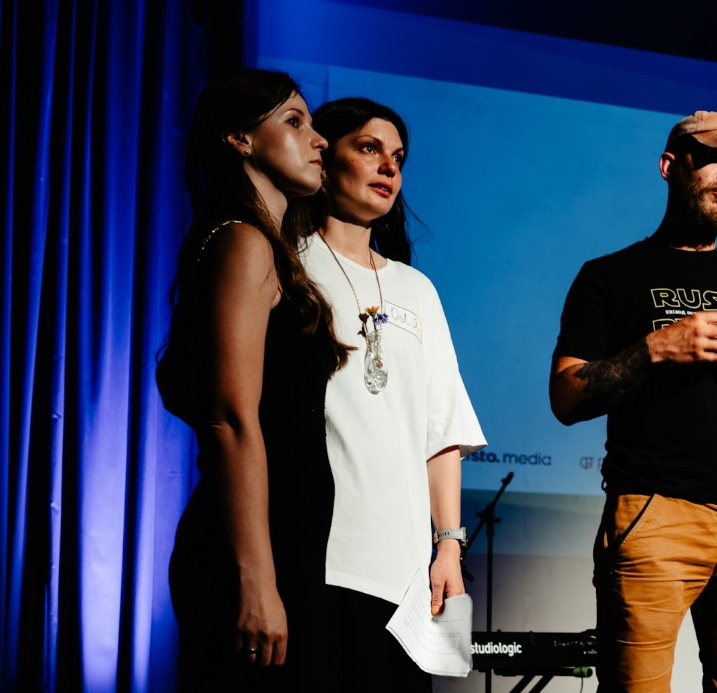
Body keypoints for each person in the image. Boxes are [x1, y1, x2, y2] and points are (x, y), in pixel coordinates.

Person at [549, 110, 717, 693]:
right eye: (715, 158)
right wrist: (656, 349)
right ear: (670, 166)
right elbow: (565, 395)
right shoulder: (609, 276)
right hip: (655, 515)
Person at [157, 69, 347, 691]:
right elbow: (230, 418)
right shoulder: (242, 241)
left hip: (286, 541)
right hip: (255, 553)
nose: (318, 139)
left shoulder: (265, 244)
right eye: (294, 122)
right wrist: (257, 580)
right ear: (239, 139)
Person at [298, 97, 486, 691]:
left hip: (404, 577)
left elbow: (442, 430)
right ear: (324, 157)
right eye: (368, 148)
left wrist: (449, 548)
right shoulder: (290, 265)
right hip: (318, 556)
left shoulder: (416, 288)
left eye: (398, 158)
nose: (388, 168)